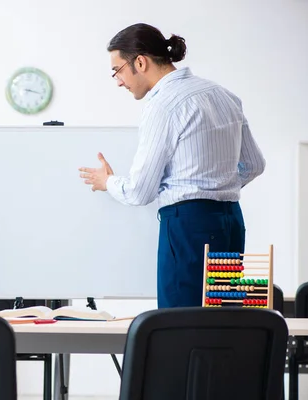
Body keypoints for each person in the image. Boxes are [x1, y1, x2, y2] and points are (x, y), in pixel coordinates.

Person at [79, 23, 266, 308]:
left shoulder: (163, 104)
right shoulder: (224, 95)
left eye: (117, 70)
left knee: (181, 327)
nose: (118, 81)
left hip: (187, 227)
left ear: (139, 62)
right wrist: (213, 185)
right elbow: (254, 165)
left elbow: (139, 191)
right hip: (231, 223)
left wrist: (108, 182)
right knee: (225, 323)